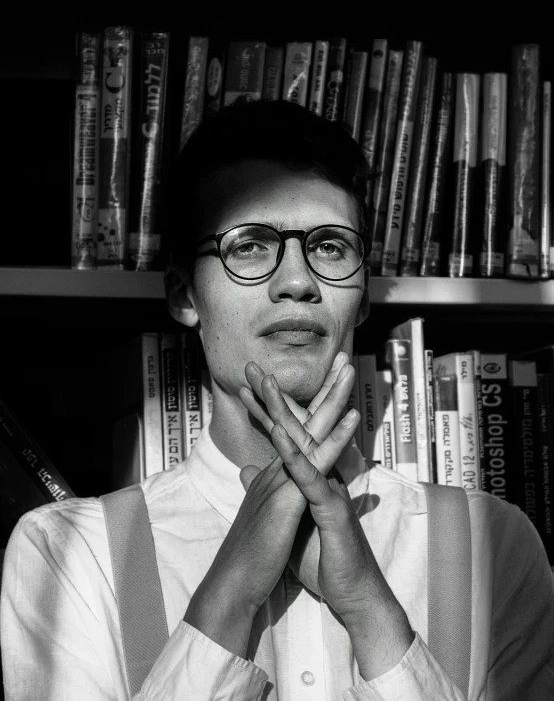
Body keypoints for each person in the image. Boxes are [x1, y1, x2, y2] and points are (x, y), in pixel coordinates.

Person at [1, 98, 554, 700]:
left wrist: (372, 610)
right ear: (186, 296)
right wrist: (229, 594)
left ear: (363, 300)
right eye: (250, 245)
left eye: (331, 247)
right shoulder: (70, 554)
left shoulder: (492, 544)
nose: (297, 281)